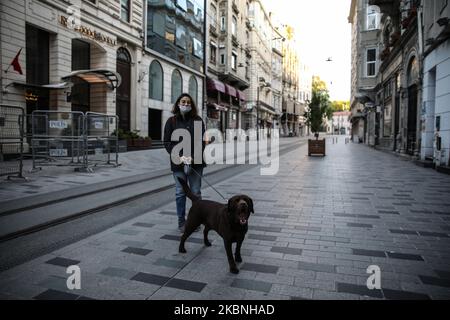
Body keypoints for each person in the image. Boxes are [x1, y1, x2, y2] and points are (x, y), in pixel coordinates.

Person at [163, 93, 206, 232]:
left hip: (196, 163)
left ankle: (197, 221)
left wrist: (192, 157)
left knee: (196, 192)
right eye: (183, 101)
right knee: (180, 192)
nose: (186, 104)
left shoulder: (198, 120)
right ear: (178, 103)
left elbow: (201, 142)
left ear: (192, 105)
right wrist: (179, 156)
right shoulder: (171, 121)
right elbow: (167, 142)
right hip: (178, 163)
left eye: (188, 102)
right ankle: (182, 222)